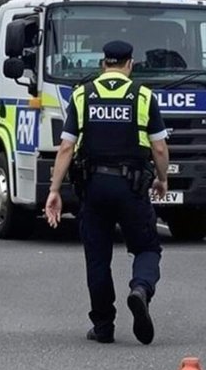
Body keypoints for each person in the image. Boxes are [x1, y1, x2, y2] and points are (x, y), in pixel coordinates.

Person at [44, 40, 170, 345]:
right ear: (130, 64)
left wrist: (54, 190)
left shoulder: (82, 95)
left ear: (104, 64)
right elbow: (159, 147)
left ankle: (103, 326)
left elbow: (66, 147)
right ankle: (140, 288)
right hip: (132, 187)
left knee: (97, 258)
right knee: (147, 248)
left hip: (94, 187)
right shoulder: (142, 96)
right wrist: (162, 179)